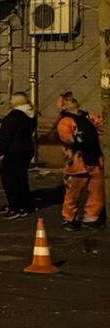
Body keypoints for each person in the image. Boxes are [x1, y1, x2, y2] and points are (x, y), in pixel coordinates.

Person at [56, 91, 105, 233]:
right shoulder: (65, 121)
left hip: (94, 159)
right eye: (67, 99)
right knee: (74, 192)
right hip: (78, 161)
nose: (72, 100)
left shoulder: (87, 116)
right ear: (63, 106)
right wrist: (76, 138)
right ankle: (69, 218)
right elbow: (66, 137)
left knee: (97, 191)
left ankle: (91, 217)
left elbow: (102, 123)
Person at [0, 92, 37, 220]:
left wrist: (0, 152)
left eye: (12, 99)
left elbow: (6, 136)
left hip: (13, 151)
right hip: (26, 149)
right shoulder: (31, 114)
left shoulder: (14, 116)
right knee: (21, 178)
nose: (10, 102)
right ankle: (24, 205)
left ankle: (15, 207)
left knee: (9, 180)